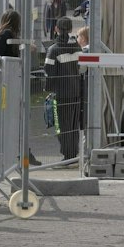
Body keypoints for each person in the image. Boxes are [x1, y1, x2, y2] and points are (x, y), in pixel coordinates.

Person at [44, 19, 85, 163]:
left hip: (61, 94)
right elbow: (82, 68)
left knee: (61, 125)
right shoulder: (78, 48)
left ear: (56, 28)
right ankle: (73, 154)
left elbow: (48, 72)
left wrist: (48, 89)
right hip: (76, 91)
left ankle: (67, 156)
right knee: (73, 125)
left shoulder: (53, 49)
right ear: (70, 29)